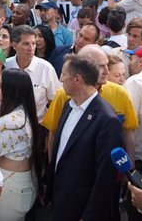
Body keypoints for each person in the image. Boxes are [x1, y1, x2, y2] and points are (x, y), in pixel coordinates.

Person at [45, 54, 123, 221]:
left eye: (64, 74)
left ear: (77, 79)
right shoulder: (68, 105)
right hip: (61, 201)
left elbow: (105, 175)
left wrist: (90, 215)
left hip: (82, 208)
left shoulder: (106, 120)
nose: (60, 78)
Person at [0, 68, 44, 221]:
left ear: (12, 90)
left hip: (8, 188)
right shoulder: (23, 114)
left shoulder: (9, 122)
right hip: (21, 183)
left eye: (1, 85)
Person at [5, 25, 61, 121]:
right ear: (14, 45)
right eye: (26, 44)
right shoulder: (5, 66)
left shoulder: (46, 68)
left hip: (37, 126)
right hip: (8, 125)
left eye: (33, 43)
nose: (31, 48)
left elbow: (54, 102)